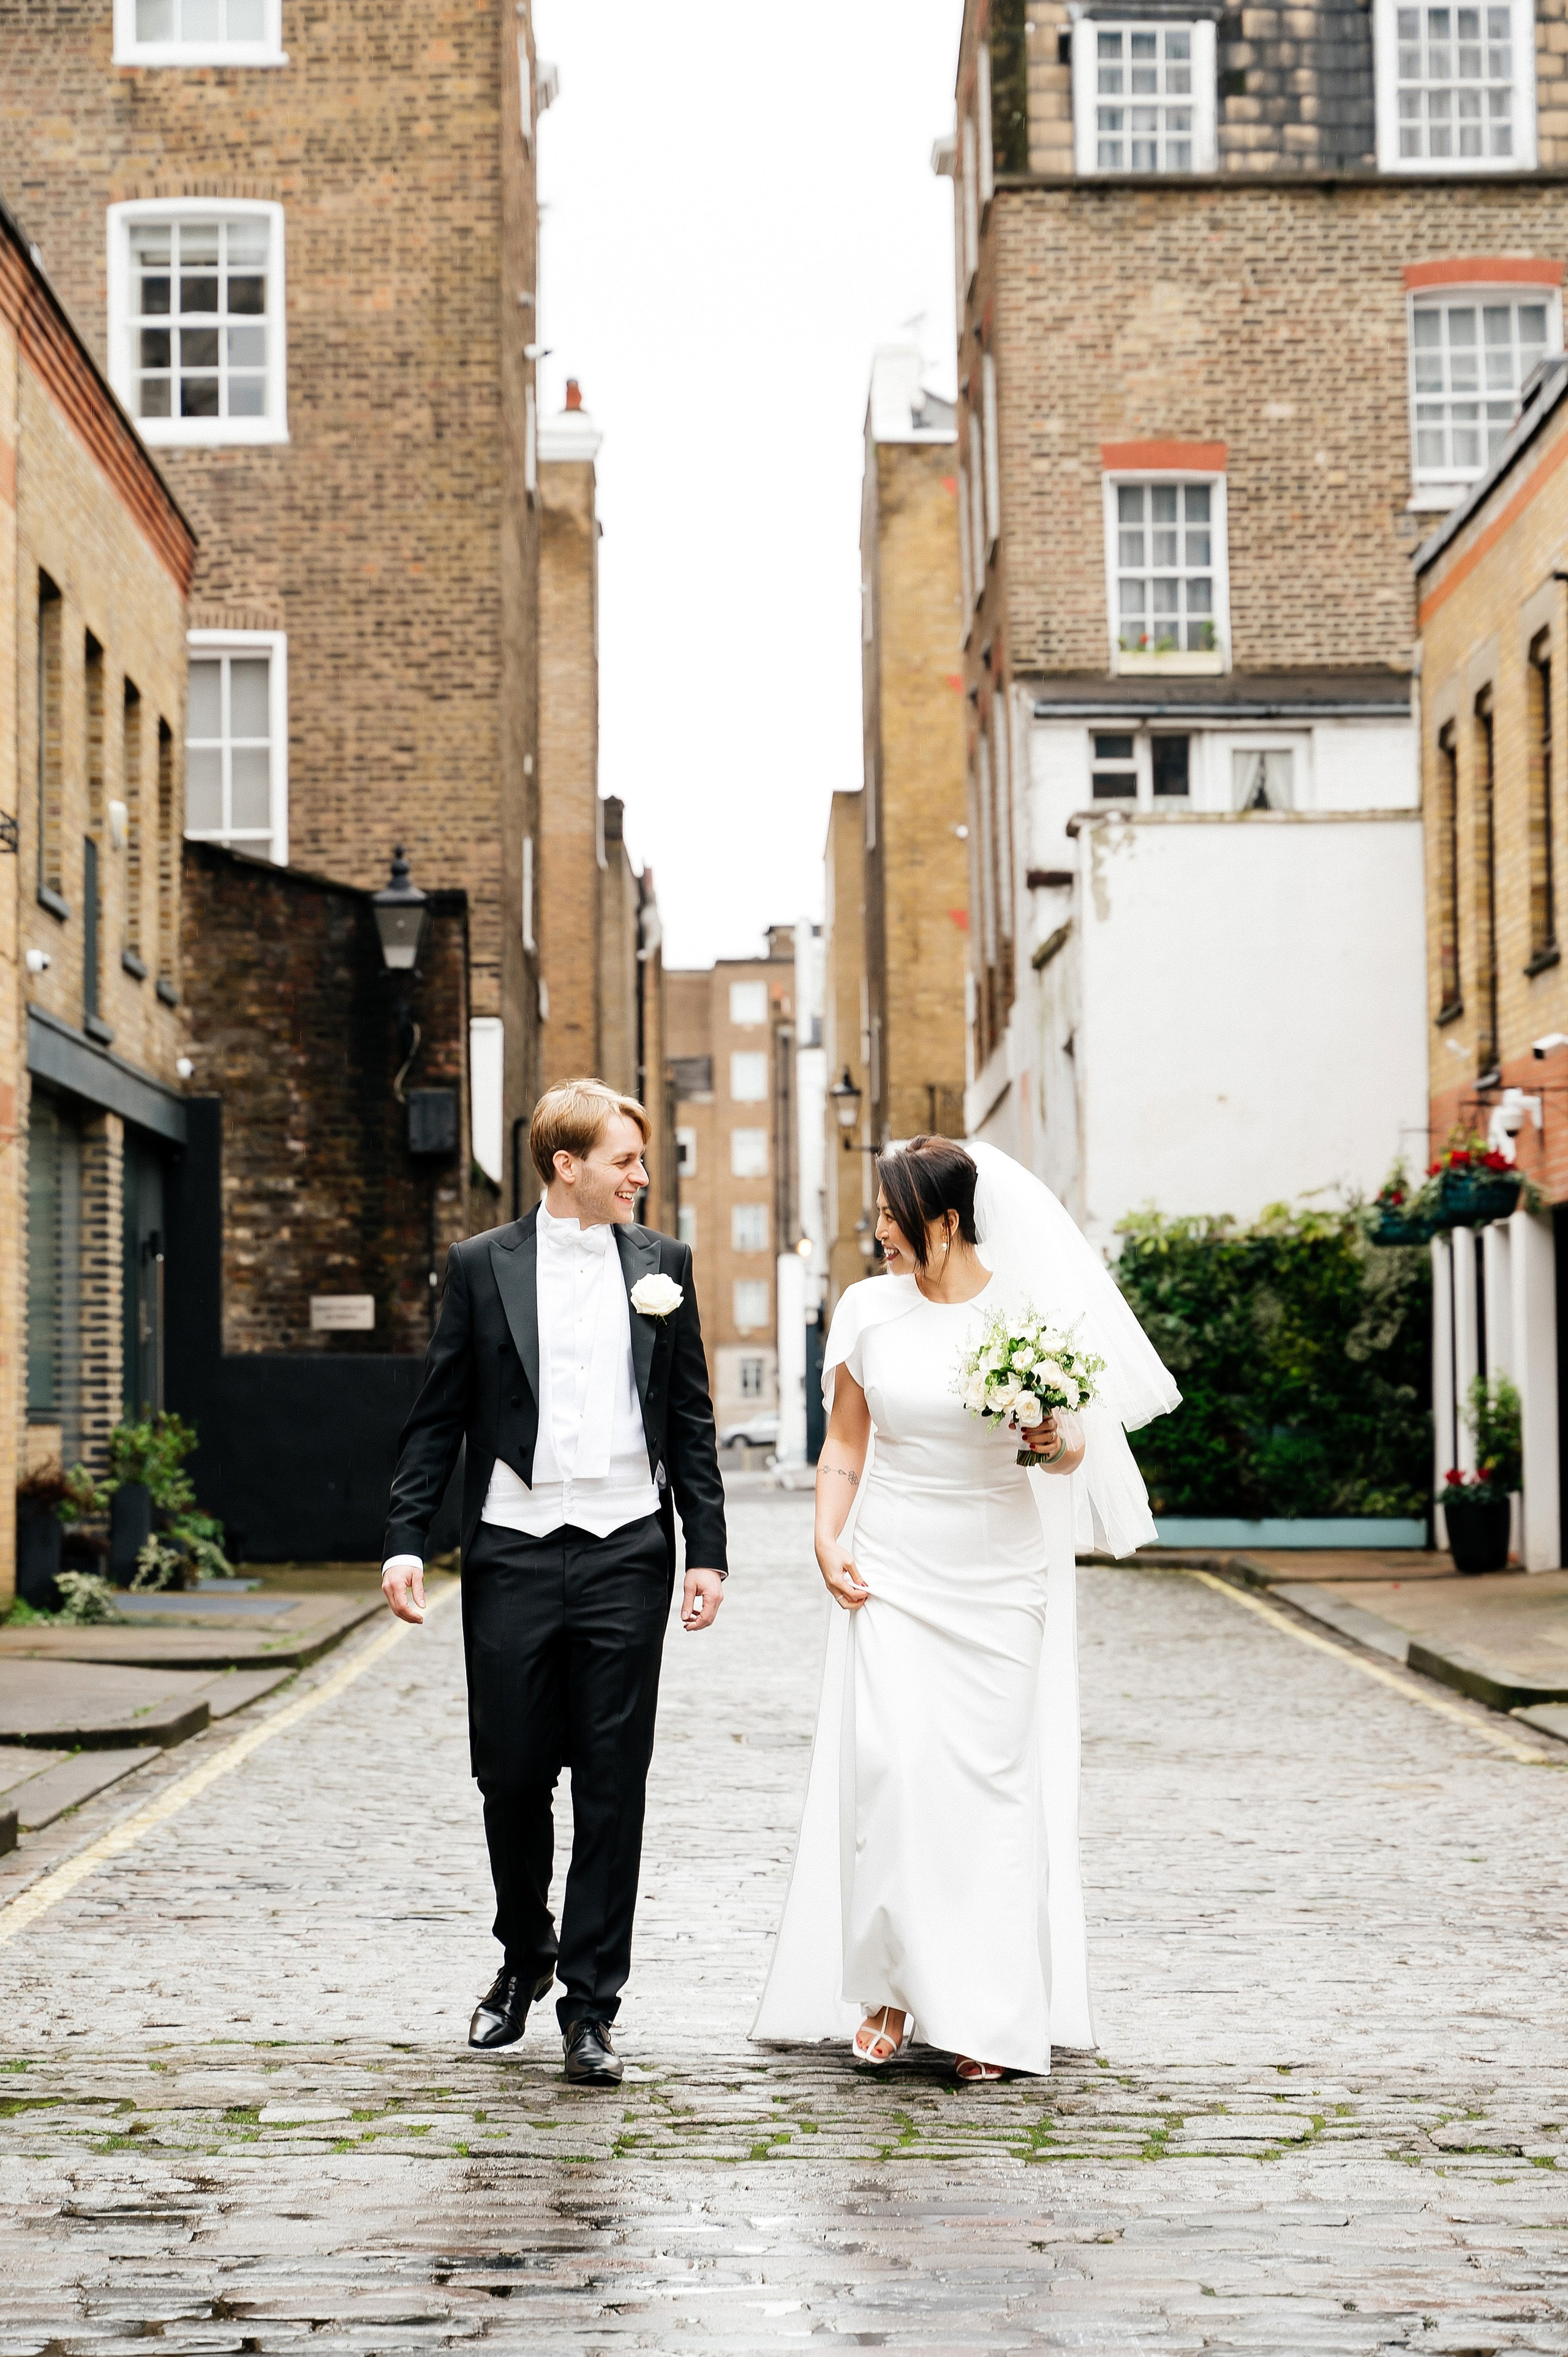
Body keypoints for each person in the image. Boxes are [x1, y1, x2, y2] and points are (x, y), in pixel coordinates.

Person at [752, 1135, 1177, 2081]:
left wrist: (1048, 1433)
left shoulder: (1028, 1311)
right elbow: (844, 1449)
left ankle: (985, 2014)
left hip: (997, 1573)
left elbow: (1068, 1460)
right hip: (895, 1563)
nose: (877, 1233)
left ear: (945, 1223)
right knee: (897, 1773)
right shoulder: (867, 1310)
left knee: (987, 1786)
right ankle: (894, 1993)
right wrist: (828, 1535)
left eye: (891, 1218)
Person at [381, 1077, 727, 2087]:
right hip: (515, 1544)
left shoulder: (666, 1266)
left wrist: (704, 1549)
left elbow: (693, 1417)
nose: (642, 1176)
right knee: (513, 1775)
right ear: (565, 1165)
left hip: (627, 1543)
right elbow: (437, 1416)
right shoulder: (481, 1266)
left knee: (614, 1784)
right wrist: (406, 1538)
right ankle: (523, 1953)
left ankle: (590, 2008)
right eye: (626, 1159)